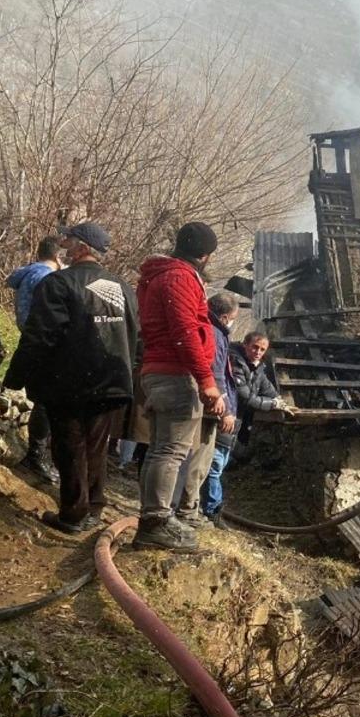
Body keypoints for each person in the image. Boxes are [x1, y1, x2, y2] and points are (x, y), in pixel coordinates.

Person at [3, 222, 138, 534]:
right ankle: (94, 507)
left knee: (70, 446)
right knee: (96, 446)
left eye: (68, 241)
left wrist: (16, 376)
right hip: (112, 381)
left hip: (69, 381)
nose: (63, 246)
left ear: (83, 248)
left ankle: (73, 515)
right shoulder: (123, 288)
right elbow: (134, 336)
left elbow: (40, 336)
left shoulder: (59, 284)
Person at [135, 222, 224, 552]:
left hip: (158, 370)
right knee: (170, 451)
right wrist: (206, 380)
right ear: (204, 255)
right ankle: (156, 521)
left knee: (161, 448)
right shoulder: (180, 277)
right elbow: (185, 332)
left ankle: (153, 517)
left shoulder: (158, 275)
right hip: (176, 373)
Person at [200, 331, 292, 521]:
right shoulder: (235, 362)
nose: (258, 352)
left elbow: (269, 391)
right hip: (224, 418)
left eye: (262, 349)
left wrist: (279, 402)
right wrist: (272, 404)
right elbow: (246, 397)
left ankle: (206, 507)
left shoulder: (257, 368)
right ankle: (211, 510)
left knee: (219, 463)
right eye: (255, 347)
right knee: (214, 466)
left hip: (235, 424)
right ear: (245, 345)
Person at [175, 293, 238, 530]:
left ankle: (188, 507)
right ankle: (187, 510)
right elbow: (216, 371)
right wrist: (226, 409)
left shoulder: (207, 328)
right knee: (198, 461)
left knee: (198, 461)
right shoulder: (215, 334)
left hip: (203, 401)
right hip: (209, 405)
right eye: (232, 318)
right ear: (223, 317)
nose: (231, 322)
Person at [5, 236, 62, 484]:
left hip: (28, 336)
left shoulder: (27, 273)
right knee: (46, 401)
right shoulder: (47, 278)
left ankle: (37, 453)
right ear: (58, 256)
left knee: (42, 399)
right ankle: (37, 455)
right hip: (44, 343)